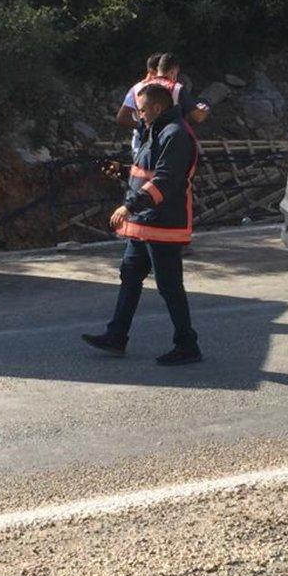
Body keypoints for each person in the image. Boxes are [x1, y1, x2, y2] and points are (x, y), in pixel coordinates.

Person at [83, 81, 202, 364]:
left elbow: (165, 180)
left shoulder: (175, 134)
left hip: (163, 223)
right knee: (130, 277)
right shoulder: (156, 129)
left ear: (157, 108)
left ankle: (187, 345)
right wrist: (123, 170)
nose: (138, 115)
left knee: (169, 286)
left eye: (142, 110)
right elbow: (148, 171)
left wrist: (128, 206)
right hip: (145, 223)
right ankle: (116, 336)